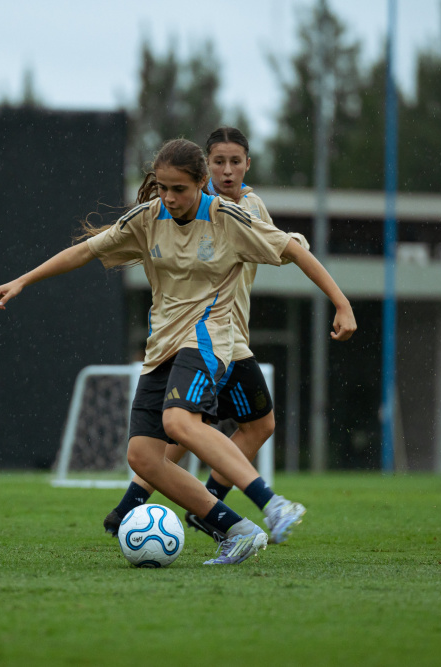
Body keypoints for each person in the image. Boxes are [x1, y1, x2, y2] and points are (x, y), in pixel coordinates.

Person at [0, 138, 356, 565]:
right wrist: (22, 281)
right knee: (143, 457)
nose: (169, 197)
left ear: (201, 182)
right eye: (162, 187)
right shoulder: (147, 218)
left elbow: (292, 250)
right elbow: (85, 251)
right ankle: (237, 531)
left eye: (179, 189)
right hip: (161, 346)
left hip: (208, 337)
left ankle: (272, 503)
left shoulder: (228, 217)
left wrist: (342, 304)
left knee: (180, 421)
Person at [102, 127, 312, 542]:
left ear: (248, 164)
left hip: (229, 336)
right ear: (205, 169)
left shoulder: (247, 207)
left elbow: (278, 246)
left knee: (233, 424)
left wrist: (296, 244)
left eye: (235, 162)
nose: (227, 170)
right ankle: (224, 505)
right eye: (219, 162)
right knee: (186, 422)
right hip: (212, 339)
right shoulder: (187, 206)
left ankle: (152, 504)